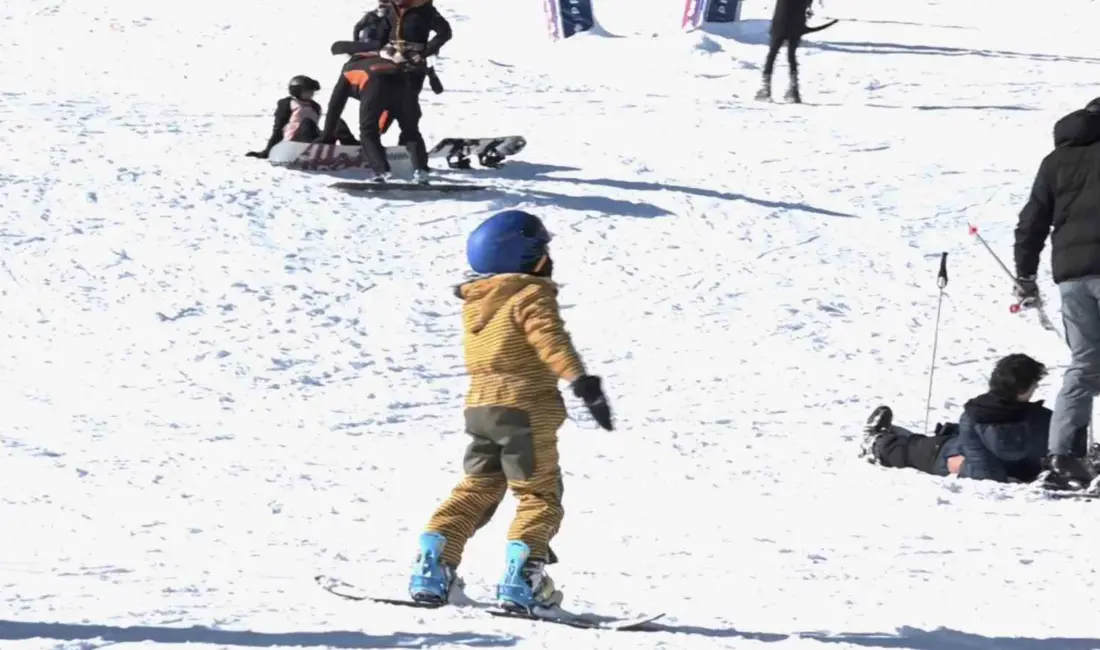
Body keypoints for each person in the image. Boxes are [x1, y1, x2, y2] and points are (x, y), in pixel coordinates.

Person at [406, 209, 614, 612]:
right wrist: (582, 383)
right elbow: (549, 340)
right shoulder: (529, 295)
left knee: (478, 488)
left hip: (482, 409)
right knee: (538, 494)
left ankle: (432, 567)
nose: (549, 259)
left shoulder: (477, 301)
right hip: (524, 410)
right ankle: (524, 580)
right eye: (544, 250)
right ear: (528, 256)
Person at [1014, 97, 1100, 489]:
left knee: (1084, 364)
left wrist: (1025, 275)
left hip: (1071, 276)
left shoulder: (1055, 161)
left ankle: (1064, 456)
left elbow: (1031, 221)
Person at [861, 354, 1061, 483]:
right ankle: (884, 440)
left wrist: (962, 465)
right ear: (1023, 389)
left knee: (912, 450)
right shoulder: (1040, 417)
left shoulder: (978, 414)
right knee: (927, 444)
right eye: (1035, 385)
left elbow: (983, 473)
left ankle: (878, 443)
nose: (1036, 389)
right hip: (972, 454)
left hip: (953, 457)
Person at [353, 0, 452, 162]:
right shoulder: (392, 9)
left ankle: (408, 150)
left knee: (407, 108)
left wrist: (425, 53)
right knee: (381, 101)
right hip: (390, 62)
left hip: (414, 66)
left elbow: (445, 32)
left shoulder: (425, 10)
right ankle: (374, 143)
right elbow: (382, 35)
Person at [315, 51, 428, 183]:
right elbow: (390, 107)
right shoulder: (386, 63)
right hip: (404, 84)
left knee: (368, 132)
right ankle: (421, 171)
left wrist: (327, 136)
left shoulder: (348, 70)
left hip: (374, 86)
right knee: (411, 131)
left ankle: (382, 172)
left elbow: (335, 107)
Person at [245, 75, 357, 159]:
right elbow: (278, 128)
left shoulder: (315, 106)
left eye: (312, 92)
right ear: (297, 91)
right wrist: (267, 151)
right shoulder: (287, 103)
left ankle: (356, 150)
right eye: (308, 91)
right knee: (307, 123)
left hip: (314, 139)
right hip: (294, 143)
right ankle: (311, 149)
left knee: (336, 122)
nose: (311, 94)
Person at [755, 0, 813, 103]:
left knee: (772, 53)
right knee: (791, 55)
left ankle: (766, 88)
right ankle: (794, 90)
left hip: (781, 19)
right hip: (797, 22)